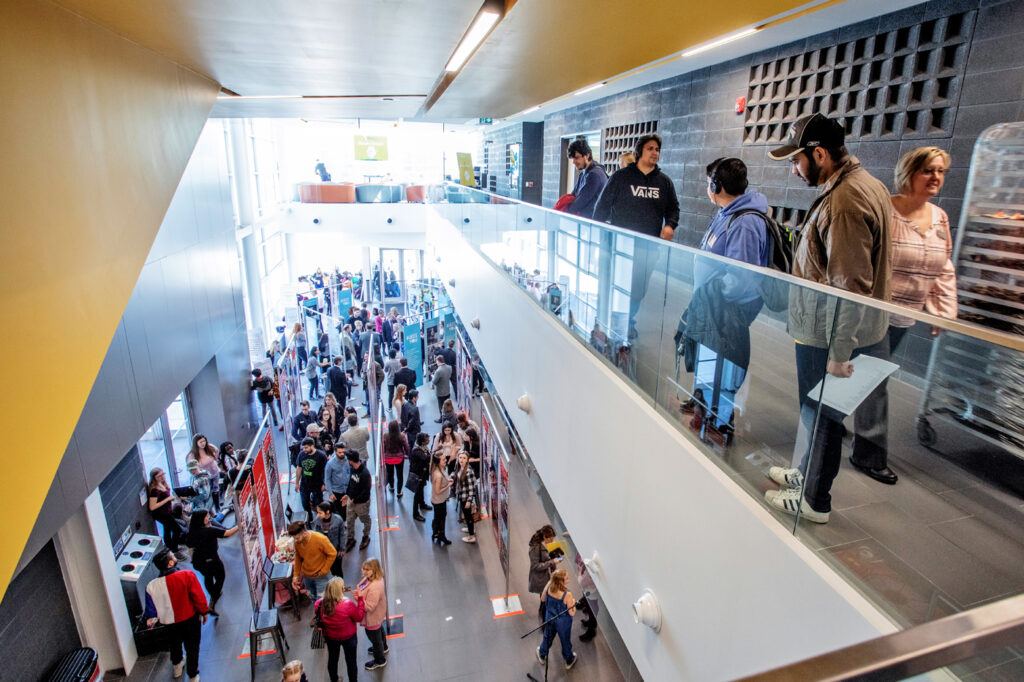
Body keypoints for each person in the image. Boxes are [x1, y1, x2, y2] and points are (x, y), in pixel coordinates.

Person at [765, 113, 892, 523]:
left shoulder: (844, 201)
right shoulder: (866, 185)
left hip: (830, 335)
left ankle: (815, 500)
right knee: (814, 412)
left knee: (822, 415)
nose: (794, 168)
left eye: (797, 159)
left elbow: (850, 285)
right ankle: (805, 473)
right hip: (834, 329)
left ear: (819, 153)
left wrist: (839, 353)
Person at [850, 146, 958, 484]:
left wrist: (943, 312)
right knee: (876, 379)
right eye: (928, 170)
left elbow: (944, 267)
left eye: (940, 171)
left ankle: (823, 416)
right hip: (873, 311)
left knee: (858, 375)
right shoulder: (886, 211)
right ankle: (869, 455)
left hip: (906, 313)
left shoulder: (939, 218)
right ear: (909, 173)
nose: (936, 177)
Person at [683, 157, 771, 441]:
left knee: (723, 364)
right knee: (708, 357)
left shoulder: (745, 222)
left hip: (724, 309)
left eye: (708, 182)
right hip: (710, 306)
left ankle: (720, 423)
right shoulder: (726, 212)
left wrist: (713, 294)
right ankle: (705, 405)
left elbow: (741, 278)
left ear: (715, 185)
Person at [593, 134, 680, 340]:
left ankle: (628, 321)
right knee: (614, 283)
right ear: (640, 151)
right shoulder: (621, 178)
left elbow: (673, 208)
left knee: (638, 289)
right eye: (650, 148)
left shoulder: (664, 182)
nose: (655, 153)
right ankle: (604, 318)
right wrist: (601, 234)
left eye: (657, 149)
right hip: (619, 246)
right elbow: (601, 207)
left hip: (647, 248)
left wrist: (670, 225)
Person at [144, 548, 209, 682]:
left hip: (168, 623)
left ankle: (177, 665)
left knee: (174, 644)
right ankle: (192, 675)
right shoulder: (187, 575)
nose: (175, 557)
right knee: (192, 647)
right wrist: (203, 611)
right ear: (170, 563)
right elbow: (198, 596)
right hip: (190, 618)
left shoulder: (151, 586)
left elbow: (151, 611)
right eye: (172, 556)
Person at [187, 509, 237, 615]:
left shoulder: (192, 531)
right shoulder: (208, 531)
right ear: (201, 519)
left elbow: (189, 545)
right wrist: (240, 525)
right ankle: (213, 599)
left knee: (208, 576)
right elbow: (227, 533)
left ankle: (213, 595)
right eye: (206, 516)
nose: (208, 517)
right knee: (220, 576)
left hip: (198, 561)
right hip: (211, 559)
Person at [316, 578, 364, 682]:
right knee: (351, 662)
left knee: (332, 659)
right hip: (349, 637)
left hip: (330, 637)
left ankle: (334, 679)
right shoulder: (347, 604)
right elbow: (359, 617)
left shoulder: (319, 604)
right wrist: (360, 600)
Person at [536, 569, 578, 670]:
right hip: (563, 622)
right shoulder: (567, 595)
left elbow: (542, 599)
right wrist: (573, 603)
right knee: (565, 640)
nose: (569, 579)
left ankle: (542, 654)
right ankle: (569, 660)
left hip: (550, 617)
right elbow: (572, 612)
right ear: (560, 582)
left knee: (547, 637)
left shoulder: (549, 586)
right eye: (566, 578)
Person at [289, 521, 337, 601]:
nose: (295, 541)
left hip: (321, 577)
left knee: (324, 602)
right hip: (307, 577)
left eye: (297, 538)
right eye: (294, 538)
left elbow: (333, 553)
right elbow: (298, 558)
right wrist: (295, 576)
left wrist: (324, 570)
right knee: (312, 598)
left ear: (304, 533)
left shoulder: (320, 539)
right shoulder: (298, 542)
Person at [354, 558, 388, 671]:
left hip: (373, 616)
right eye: (363, 569)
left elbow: (369, 607)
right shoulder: (372, 579)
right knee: (379, 631)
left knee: (374, 638)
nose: (364, 572)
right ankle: (384, 647)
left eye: (367, 569)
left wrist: (359, 598)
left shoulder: (375, 586)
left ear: (374, 570)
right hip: (377, 615)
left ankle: (380, 660)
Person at [565, 138, 609, 219]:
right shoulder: (584, 173)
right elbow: (573, 195)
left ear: (587, 155)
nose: (574, 161)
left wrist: (565, 212)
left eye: (577, 157)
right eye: (573, 158)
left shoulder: (595, 175)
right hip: (585, 223)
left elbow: (580, 202)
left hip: (592, 224)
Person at [341, 449, 373, 552]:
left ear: (350, 460)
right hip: (351, 501)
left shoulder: (365, 473)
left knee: (365, 520)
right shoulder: (352, 469)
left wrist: (356, 499)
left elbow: (366, 491)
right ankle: (351, 539)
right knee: (349, 520)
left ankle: (366, 536)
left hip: (361, 503)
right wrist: (348, 495)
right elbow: (351, 483)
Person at [148, 468, 185, 551]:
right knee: (177, 530)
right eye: (159, 476)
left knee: (167, 529)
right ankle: (174, 549)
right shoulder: (155, 490)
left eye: (163, 474)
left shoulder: (162, 484)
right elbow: (152, 506)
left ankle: (169, 547)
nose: (162, 477)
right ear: (154, 478)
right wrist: (167, 499)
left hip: (167, 511)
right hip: (161, 514)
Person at [528, 525, 560, 618]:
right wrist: (552, 562)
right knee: (545, 595)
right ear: (545, 537)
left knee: (547, 595)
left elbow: (548, 555)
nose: (552, 542)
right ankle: (544, 614)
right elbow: (535, 566)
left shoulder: (546, 543)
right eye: (550, 540)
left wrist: (556, 556)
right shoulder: (535, 548)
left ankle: (544, 609)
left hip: (549, 573)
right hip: (541, 577)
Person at [294, 437, 328, 525]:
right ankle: (309, 518)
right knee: (305, 503)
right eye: (303, 448)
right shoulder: (301, 455)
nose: (304, 450)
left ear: (312, 446)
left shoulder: (321, 455)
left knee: (319, 503)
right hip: (305, 484)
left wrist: (325, 483)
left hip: (317, 484)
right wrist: (297, 483)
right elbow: (299, 468)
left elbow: (326, 470)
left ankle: (321, 519)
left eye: (306, 448)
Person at [315, 502, 347, 578]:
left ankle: (340, 585)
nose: (318, 515)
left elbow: (342, 535)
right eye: (317, 512)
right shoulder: (317, 520)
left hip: (335, 549)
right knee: (329, 569)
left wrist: (342, 549)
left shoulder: (338, 520)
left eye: (320, 513)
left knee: (337, 569)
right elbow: (316, 534)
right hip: (324, 550)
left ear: (327, 512)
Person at [453, 451, 479, 544]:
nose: (462, 460)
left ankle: (471, 536)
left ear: (467, 460)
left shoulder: (468, 471)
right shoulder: (459, 467)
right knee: (467, 515)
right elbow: (456, 474)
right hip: (461, 495)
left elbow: (472, 488)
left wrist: (469, 500)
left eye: (464, 458)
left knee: (468, 516)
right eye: (460, 458)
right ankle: (470, 528)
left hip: (465, 497)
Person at [429, 452, 452, 546]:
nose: (445, 460)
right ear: (438, 462)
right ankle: (441, 535)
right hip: (438, 500)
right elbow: (437, 491)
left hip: (439, 499)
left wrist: (447, 480)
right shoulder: (438, 474)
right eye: (443, 459)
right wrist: (448, 485)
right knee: (441, 518)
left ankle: (436, 533)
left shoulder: (440, 469)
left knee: (438, 517)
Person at [408, 432, 432, 522]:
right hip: (418, 475)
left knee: (421, 490)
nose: (428, 441)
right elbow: (426, 458)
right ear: (422, 442)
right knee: (417, 494)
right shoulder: (417, 451)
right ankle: (415, 514)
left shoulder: (422, 448)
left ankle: (422, 504)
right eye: (426, 440)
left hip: (422, 473)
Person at [382, 419, 409, 497]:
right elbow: (406, 447)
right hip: (399, 458)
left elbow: (383, 447)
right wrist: (407, 454)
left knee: (390, 474)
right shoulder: (401, 436)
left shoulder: (386, 436)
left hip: (388, 458)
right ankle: (399, 492)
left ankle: (391, 487)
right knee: (399, 475)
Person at [325, 443, 351, 520]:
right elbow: (327, 479)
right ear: (335, 452)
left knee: (349, 509)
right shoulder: (330, 464)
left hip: (347, 490)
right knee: (340, 510)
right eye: (340, 452)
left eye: (343, 452)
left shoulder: (348, 460)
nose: (342, 454)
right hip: (337, 491)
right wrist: (330, 493)